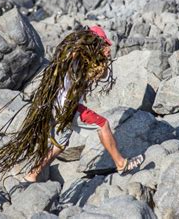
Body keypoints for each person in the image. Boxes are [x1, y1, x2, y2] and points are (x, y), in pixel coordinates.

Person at [20, 25, 144, 184]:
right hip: (67, 107)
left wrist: (103, 57)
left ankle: (33, 173)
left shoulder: (86, 61)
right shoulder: (77, 57)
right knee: (102, 124)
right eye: (102, 44)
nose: (105, 47)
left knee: (61, 143)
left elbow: (100, 74)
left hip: (57, 104)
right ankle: (121, 164)